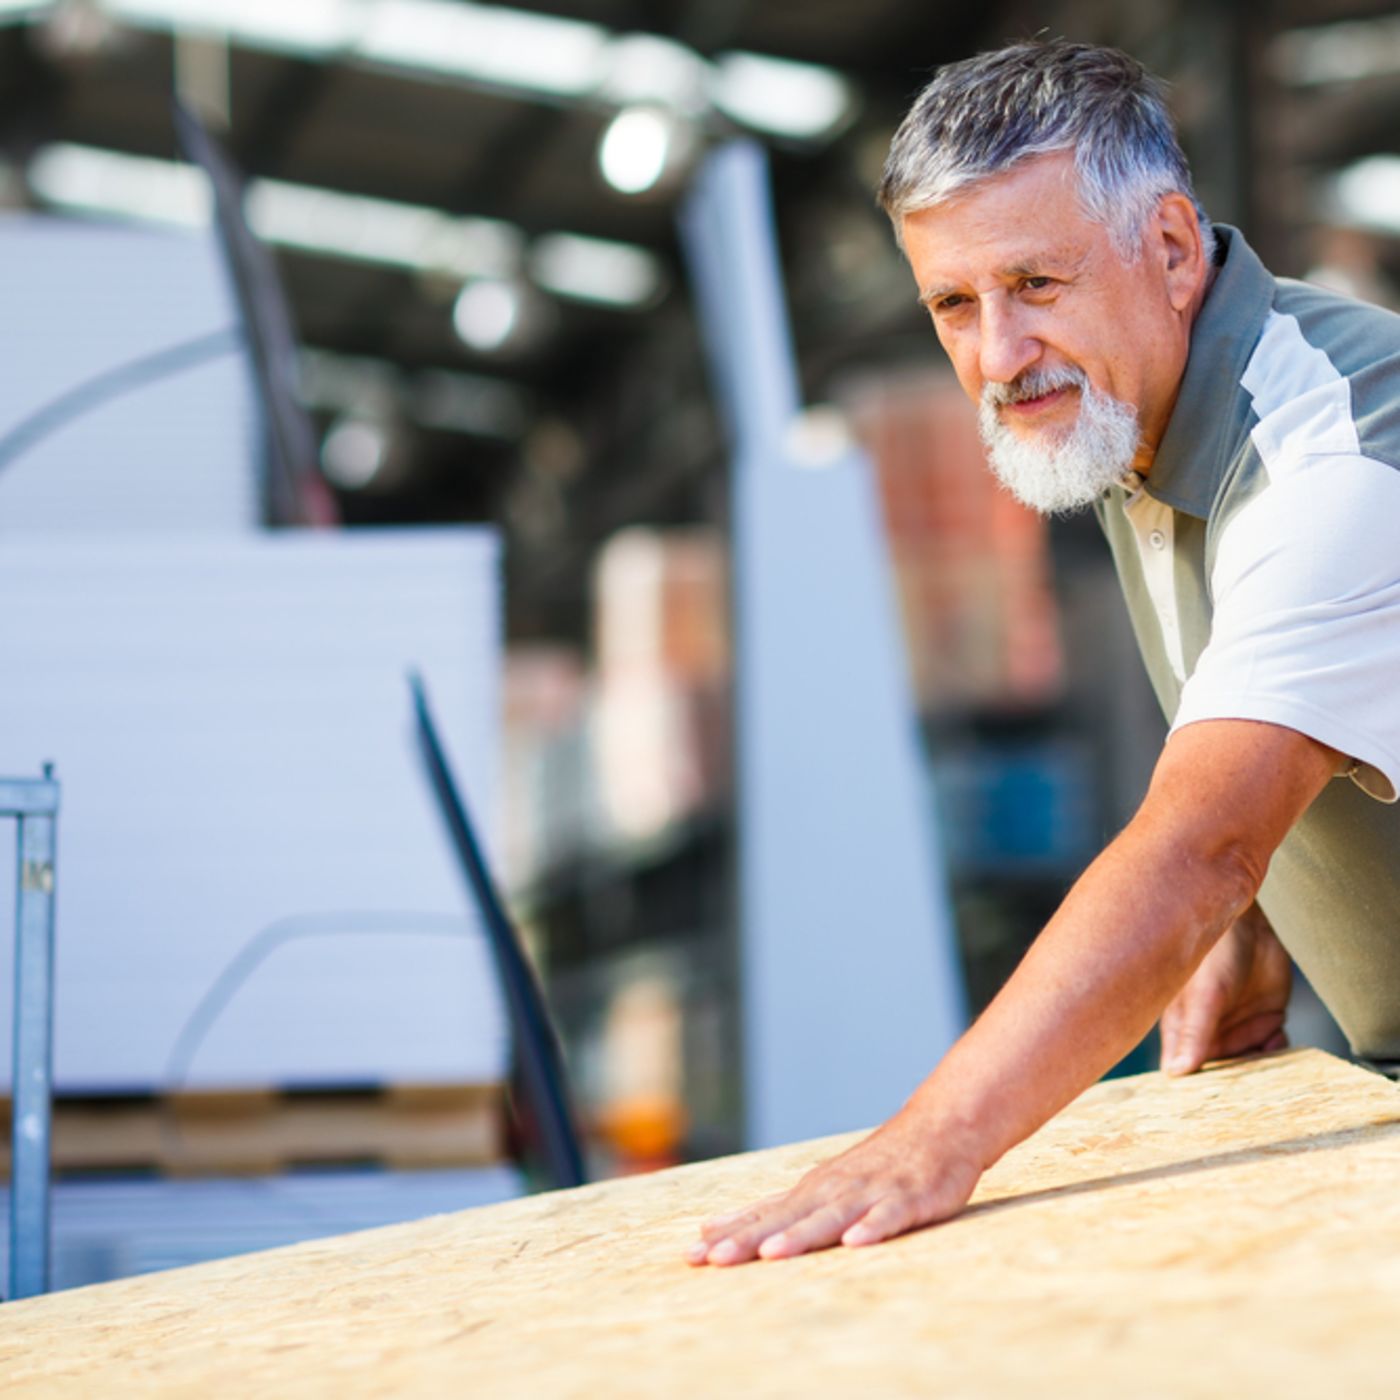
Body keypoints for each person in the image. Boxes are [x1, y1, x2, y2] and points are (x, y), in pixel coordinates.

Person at [688, 39, 1400, 1268]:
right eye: (953, 305)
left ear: (1172, 252)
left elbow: (1195, 849)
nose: (998, 354)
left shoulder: (1328, 461)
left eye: (1034, 281)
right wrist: (1269, 908)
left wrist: (930, 1137)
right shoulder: (1142, 412)